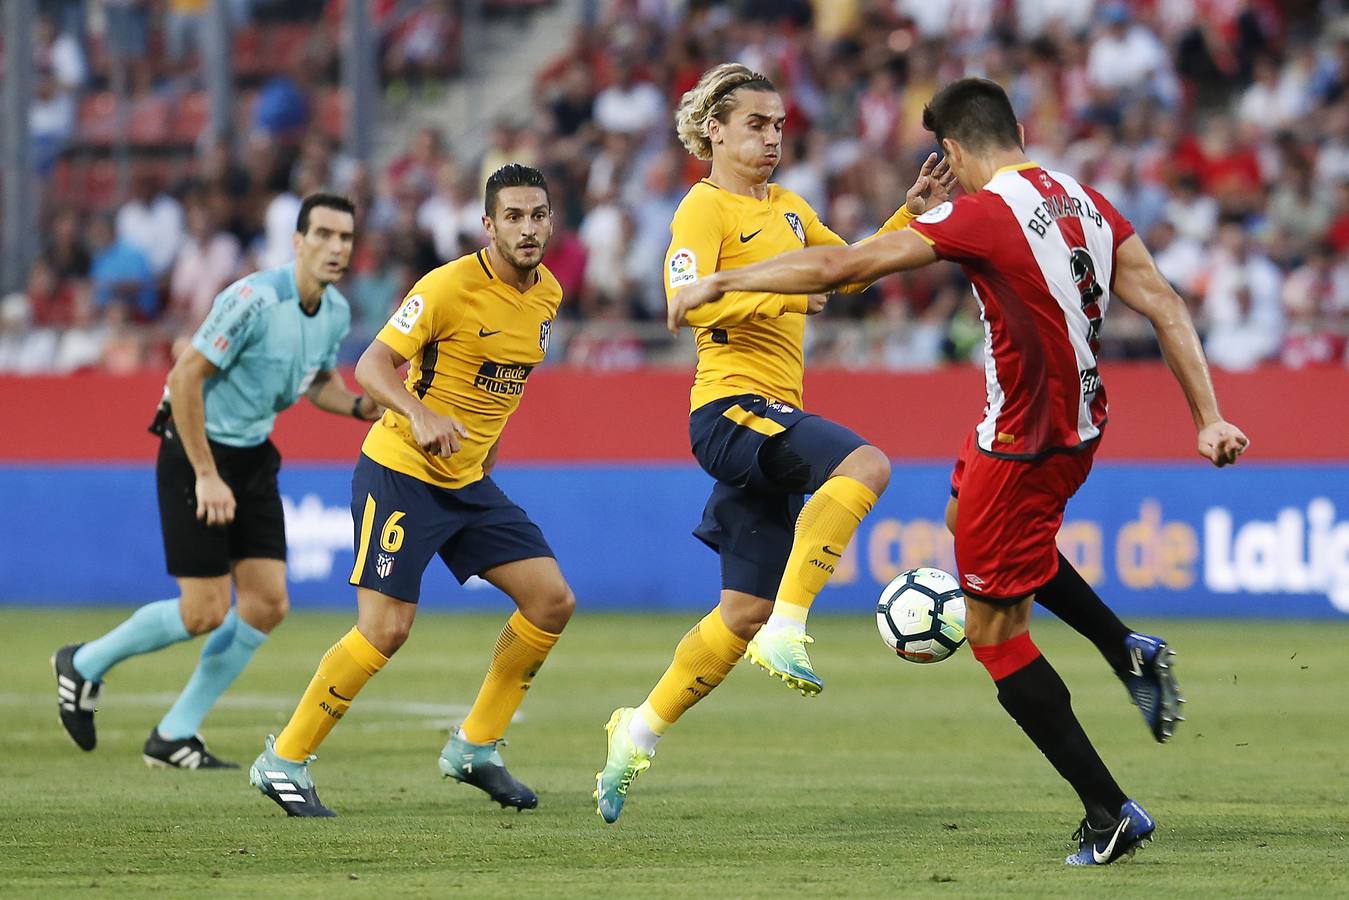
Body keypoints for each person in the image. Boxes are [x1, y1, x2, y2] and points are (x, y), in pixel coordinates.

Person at [669, 77, 1249, 865]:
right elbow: (1164, 302)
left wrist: (725, 279)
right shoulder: (1080, 198)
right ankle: (1124, 648)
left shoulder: (982, 212)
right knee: (959, 525)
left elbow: (844, 270)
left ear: (953, 150)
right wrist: (1207, 416)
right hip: (1059, 427)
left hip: (1023, 447)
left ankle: (1109, 812)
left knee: (993, 635)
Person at [593, 63, 956, 824]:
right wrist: (777, 288)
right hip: (728, 409)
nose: (770, 139)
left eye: (778, 126)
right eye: (755, 124)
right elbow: (680, 302)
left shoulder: (790, 208)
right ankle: (794, 627)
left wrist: (908, 215)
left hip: (772, 413)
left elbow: (848, 274)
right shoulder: (702, 206)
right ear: (714, 130)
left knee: (739, 611)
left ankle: (637, 730)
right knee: (866, 463)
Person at [248, 164, 575, 818]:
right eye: (512, 216)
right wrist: (418, 413)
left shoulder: (548, 296)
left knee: (550, 602)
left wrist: (483, 465)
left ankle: (476, 747)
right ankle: (283, 759)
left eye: (537, 214)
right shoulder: (448, 285)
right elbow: (370, 364)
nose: (528, 228)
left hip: (469, 481)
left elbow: (498, 395)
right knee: (386, 628)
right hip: (401, 471)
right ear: (488, 225)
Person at [53, 194, 376, 768]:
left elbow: (315, 380)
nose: (336, 247)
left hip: (251, 456)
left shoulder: (335, 313)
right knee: (203, 608)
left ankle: (175, 733)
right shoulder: (253, 298)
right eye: (323, 234)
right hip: (194, 449)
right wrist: (205, 475)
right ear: (297, 242)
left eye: (345, 237)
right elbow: (184, 378)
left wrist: (354, 406)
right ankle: (83, 663)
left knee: (268, 602)